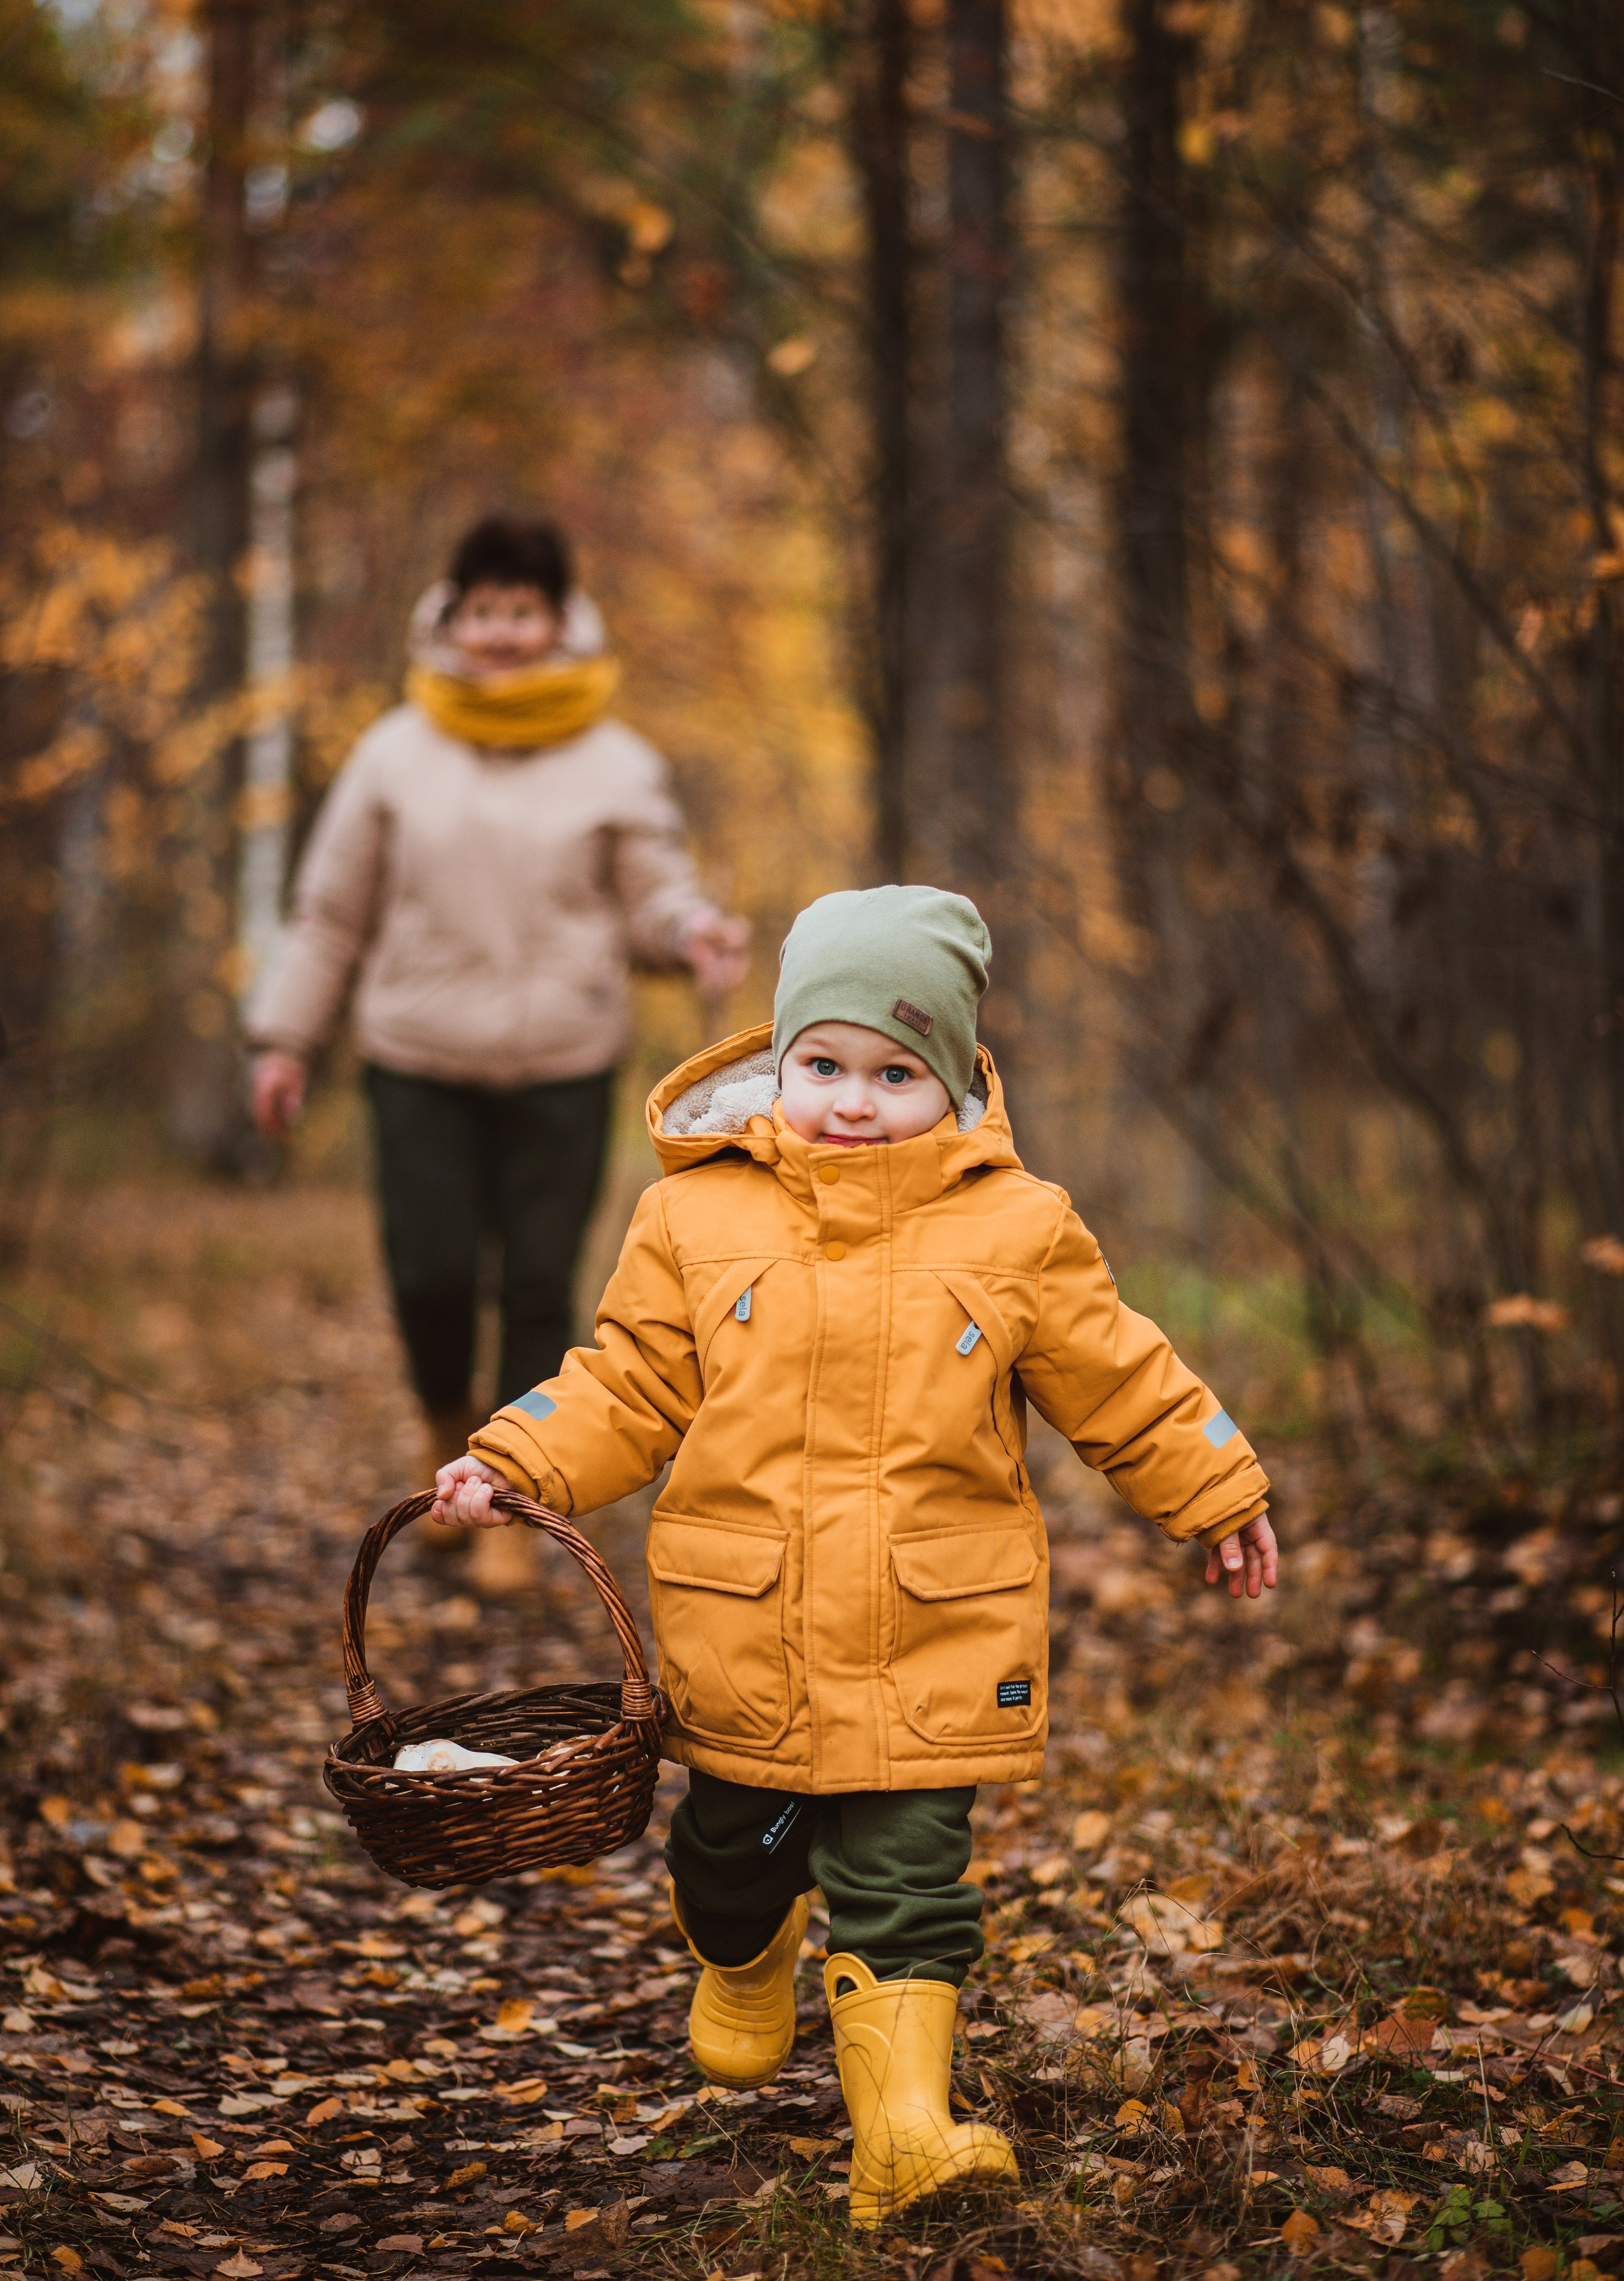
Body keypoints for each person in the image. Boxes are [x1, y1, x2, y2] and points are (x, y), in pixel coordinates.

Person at [431, 884, 1278, 2227]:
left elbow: (1119, 1375)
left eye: (894, 1072)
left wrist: (1215, 1489)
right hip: (746, 1630)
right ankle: (744, 1944)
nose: (850, 1098)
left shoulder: (1016, 1226)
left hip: (934, 1631)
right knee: (727, 1851)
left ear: (950, 1079)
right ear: (778, 1062)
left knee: (906, 1877)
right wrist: (518, 1457)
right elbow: (626, 1382)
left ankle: (902, 2140)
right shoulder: (696, 1219)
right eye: (821, 1063)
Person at [246, 514, 747, 1588]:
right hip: (416, 1060)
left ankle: (506, 1501)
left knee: (536, 1284)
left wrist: (690, 929)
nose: (503, 633)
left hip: (564, 1063)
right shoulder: (393, 752)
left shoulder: (618, 760)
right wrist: (285, 1040)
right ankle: (447, 1444)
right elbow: (330, 912)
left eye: (524, 611)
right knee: (429, 1278)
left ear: (560, 621)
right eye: (484, 611)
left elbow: (651, 896)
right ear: (451, 617)